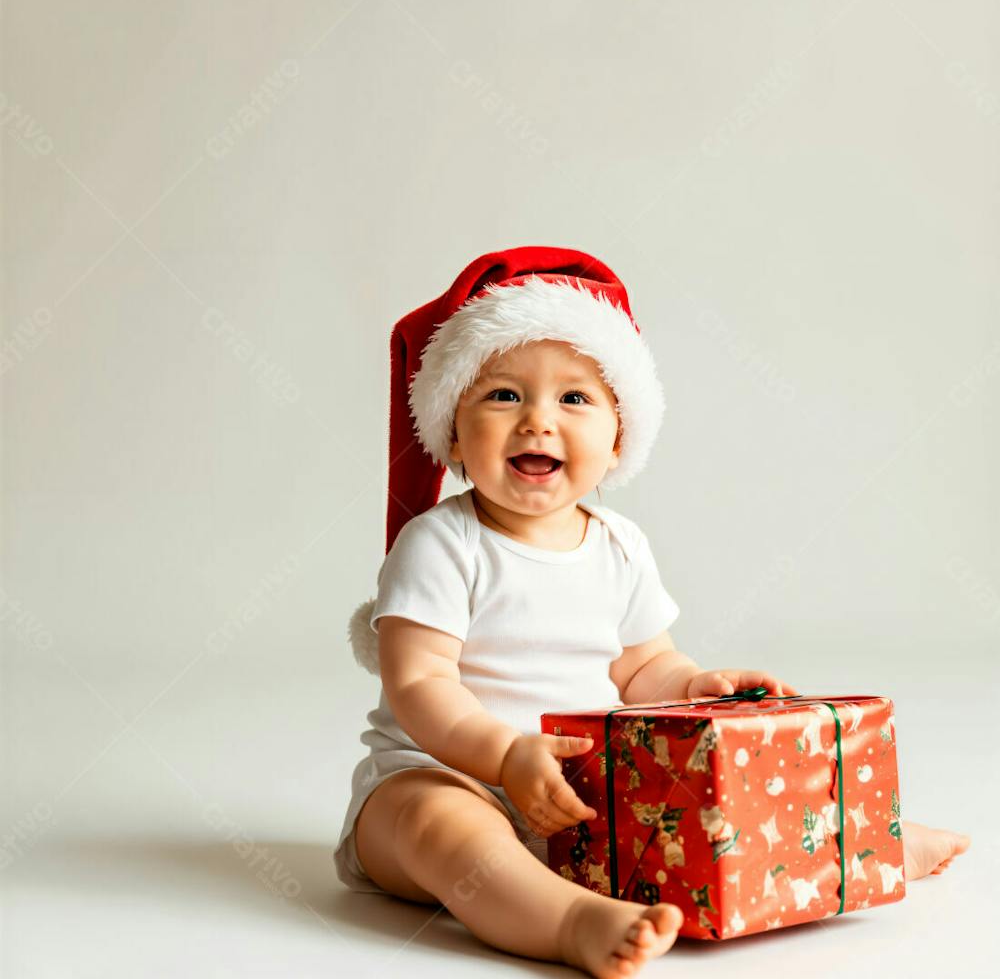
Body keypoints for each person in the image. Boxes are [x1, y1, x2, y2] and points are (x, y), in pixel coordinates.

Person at [335, 247, 970, 978]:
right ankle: (569, 921)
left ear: (617, 441)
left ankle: (864, 845)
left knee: (708, 790)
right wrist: (504, 758)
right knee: (442, 830)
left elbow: (642, 666)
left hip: (582, 790)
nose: (538, 421)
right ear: (451, 434)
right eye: (503, 396)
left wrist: (692, 686)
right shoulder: (442, 542)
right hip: (442, 774)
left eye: (574, 399)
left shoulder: (619, 545)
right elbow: (420, 685)